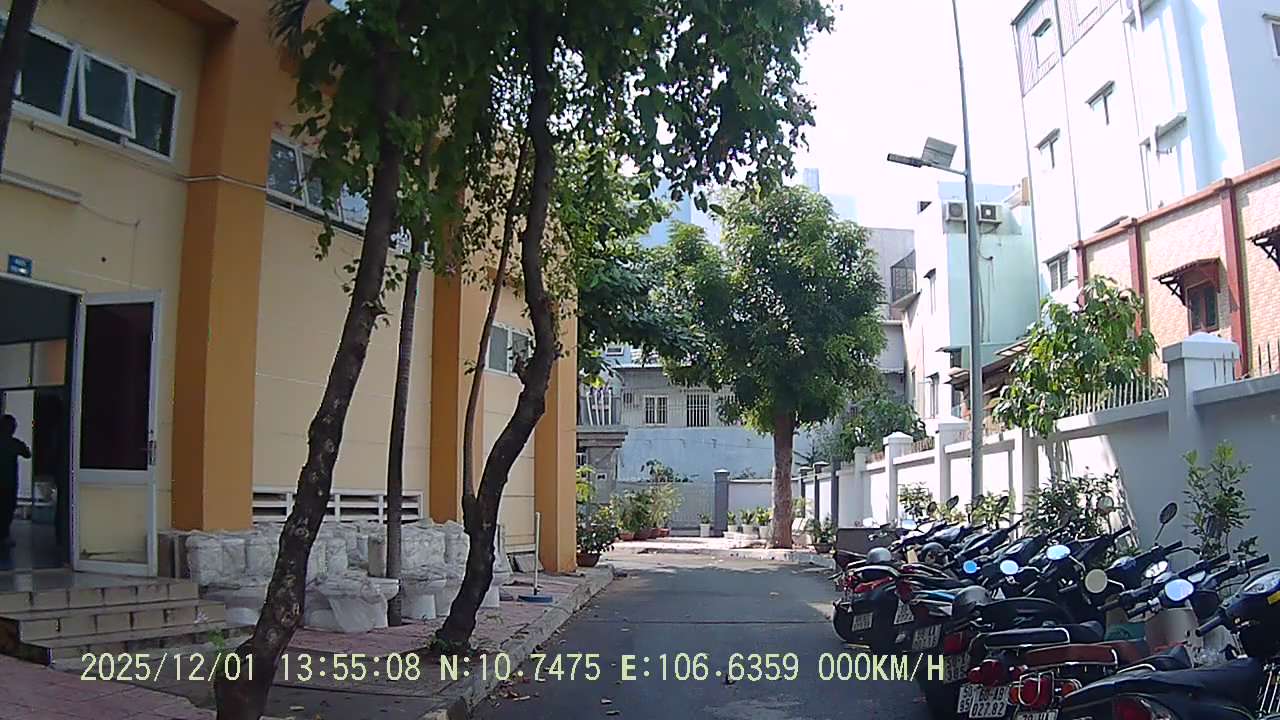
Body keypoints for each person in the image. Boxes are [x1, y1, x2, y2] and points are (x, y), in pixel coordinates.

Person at [0, 414, 32, 547]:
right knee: (7, 510)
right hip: (9, 484)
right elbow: (27, 454)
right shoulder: (14, 444)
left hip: (7, 483)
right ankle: (4, 536)